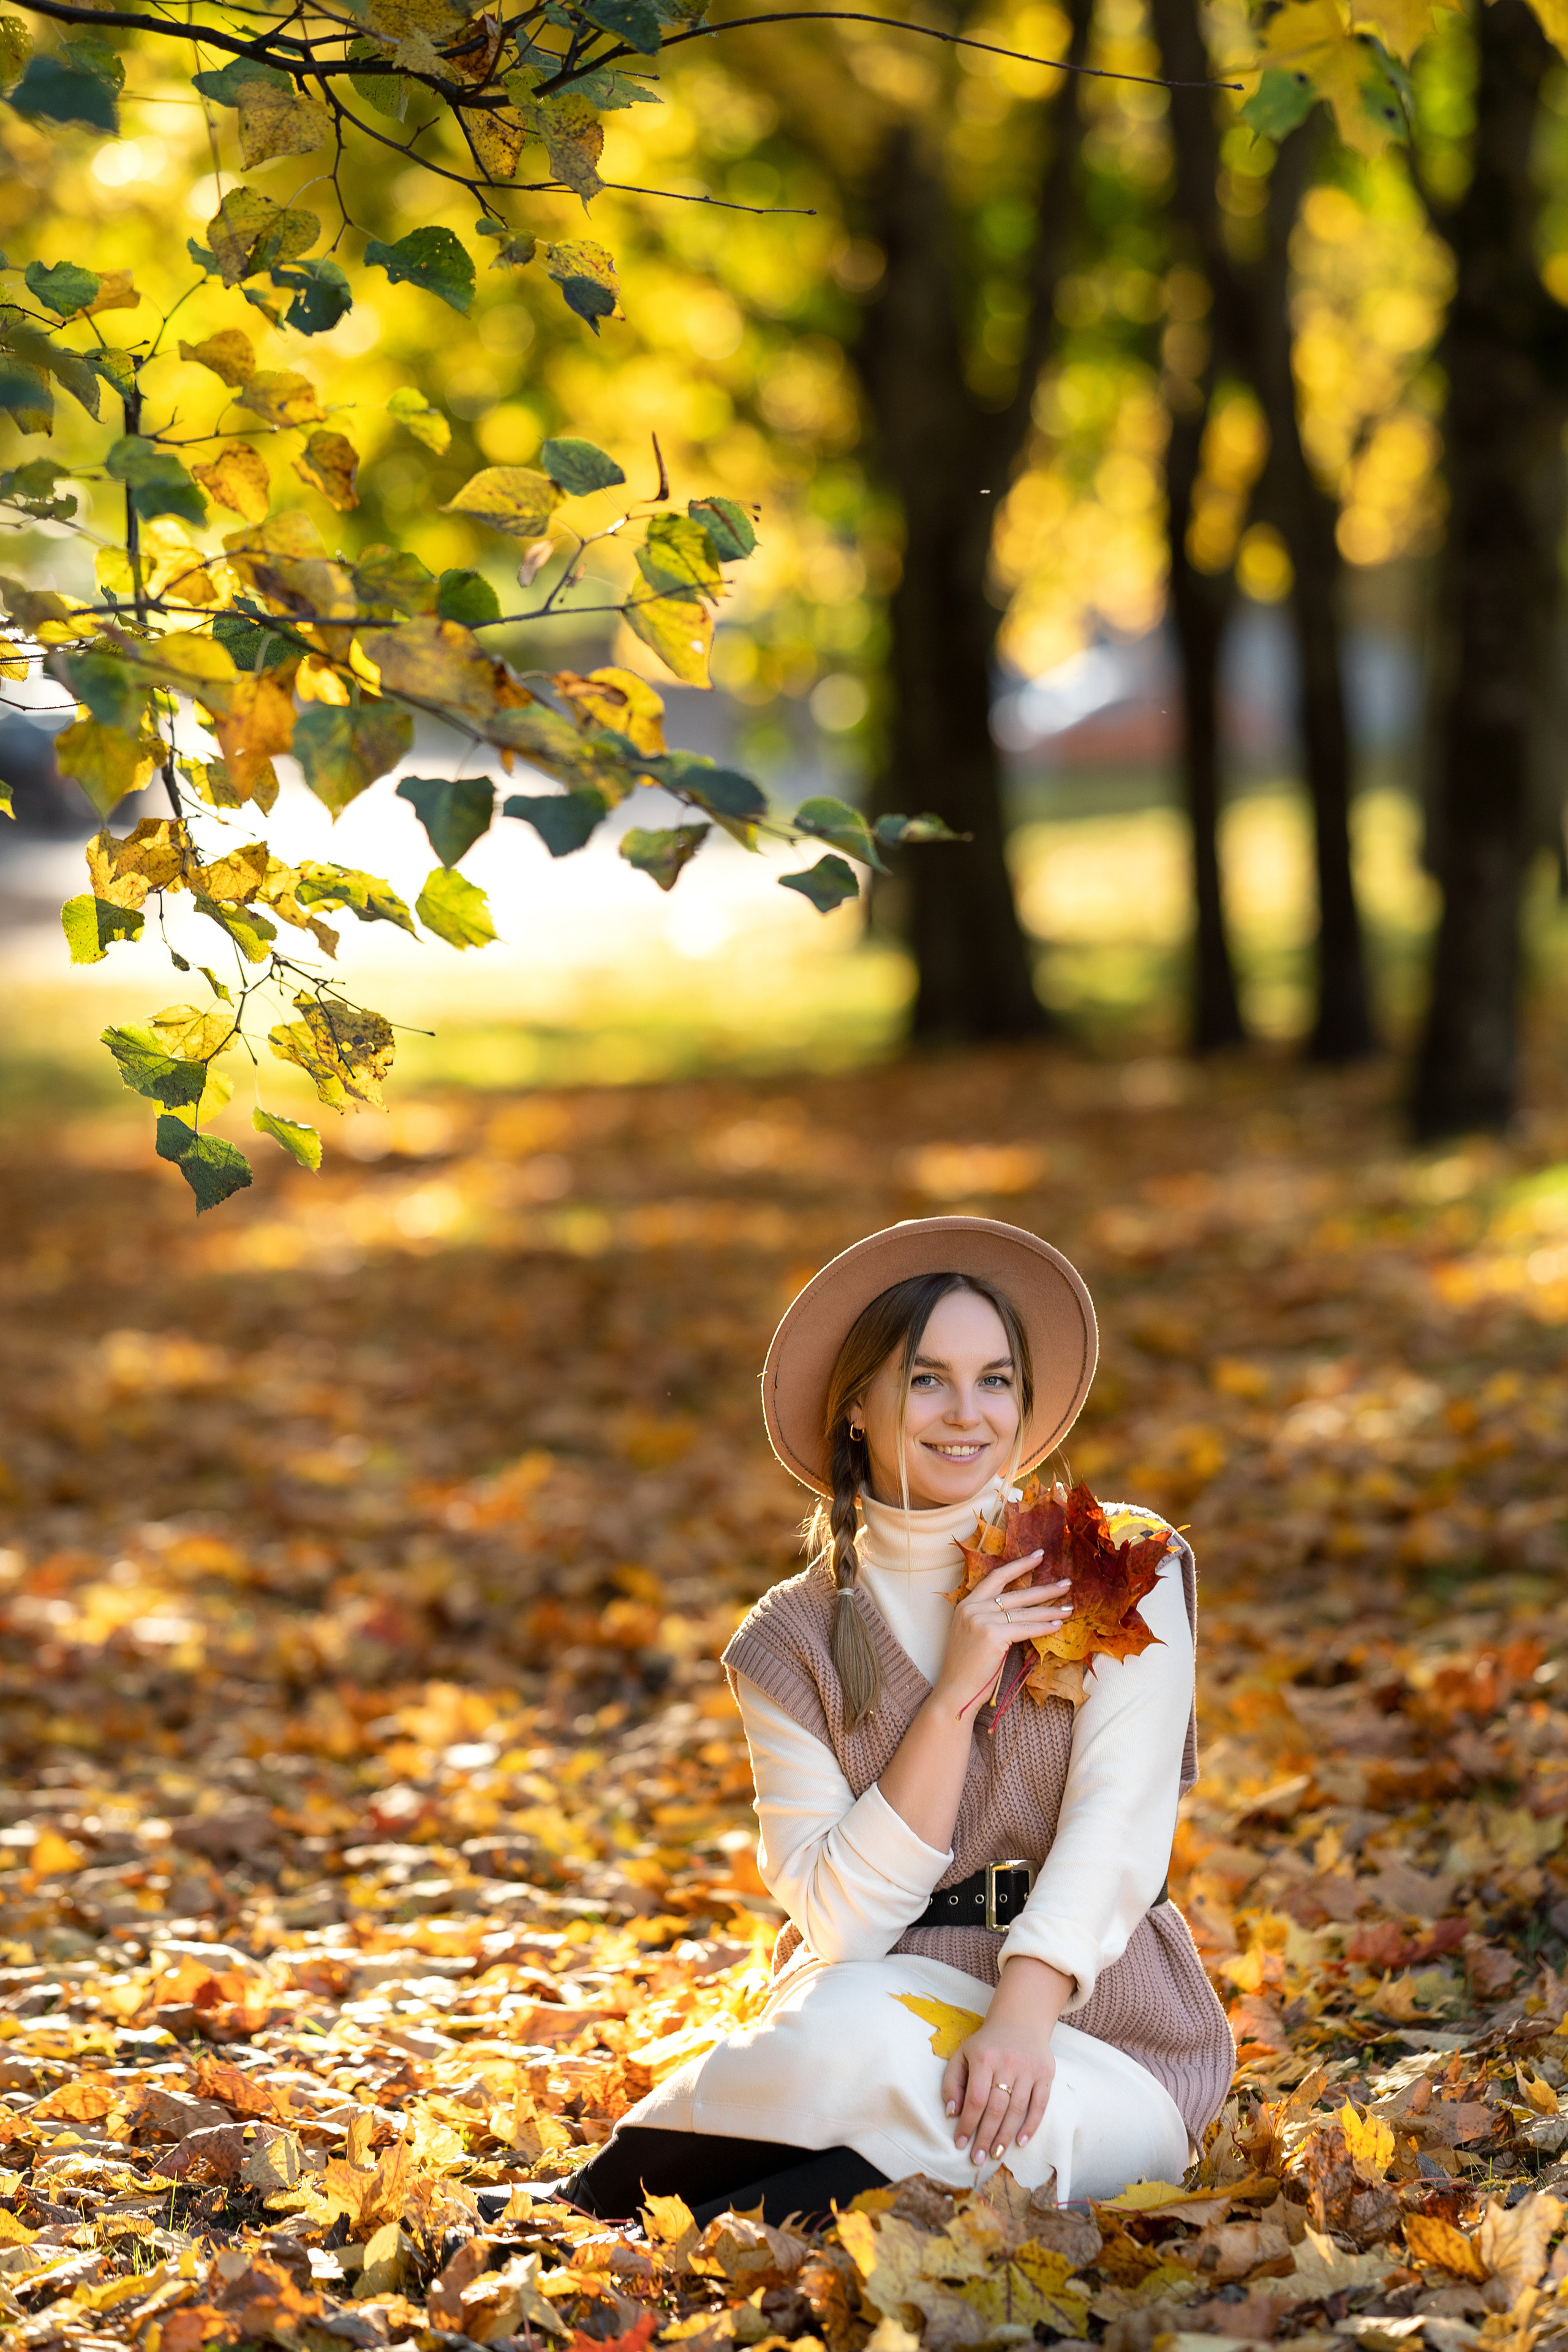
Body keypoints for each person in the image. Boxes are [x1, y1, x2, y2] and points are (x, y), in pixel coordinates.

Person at [568, 1216, 1234, 2227]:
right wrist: (957, 1691)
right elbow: (845, 1924)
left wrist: (1020, 2018)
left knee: (967, 2120)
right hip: (871, 2013)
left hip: (1104, 2030)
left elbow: (1121, 1825)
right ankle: (608, 2215)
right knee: (856, 2033)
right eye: (927, 1380)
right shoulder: (791, 1639)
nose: (968, 1413)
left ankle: (616, 2218)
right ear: (858, 1413)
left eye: (996, 1379)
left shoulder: (1116, 1562)